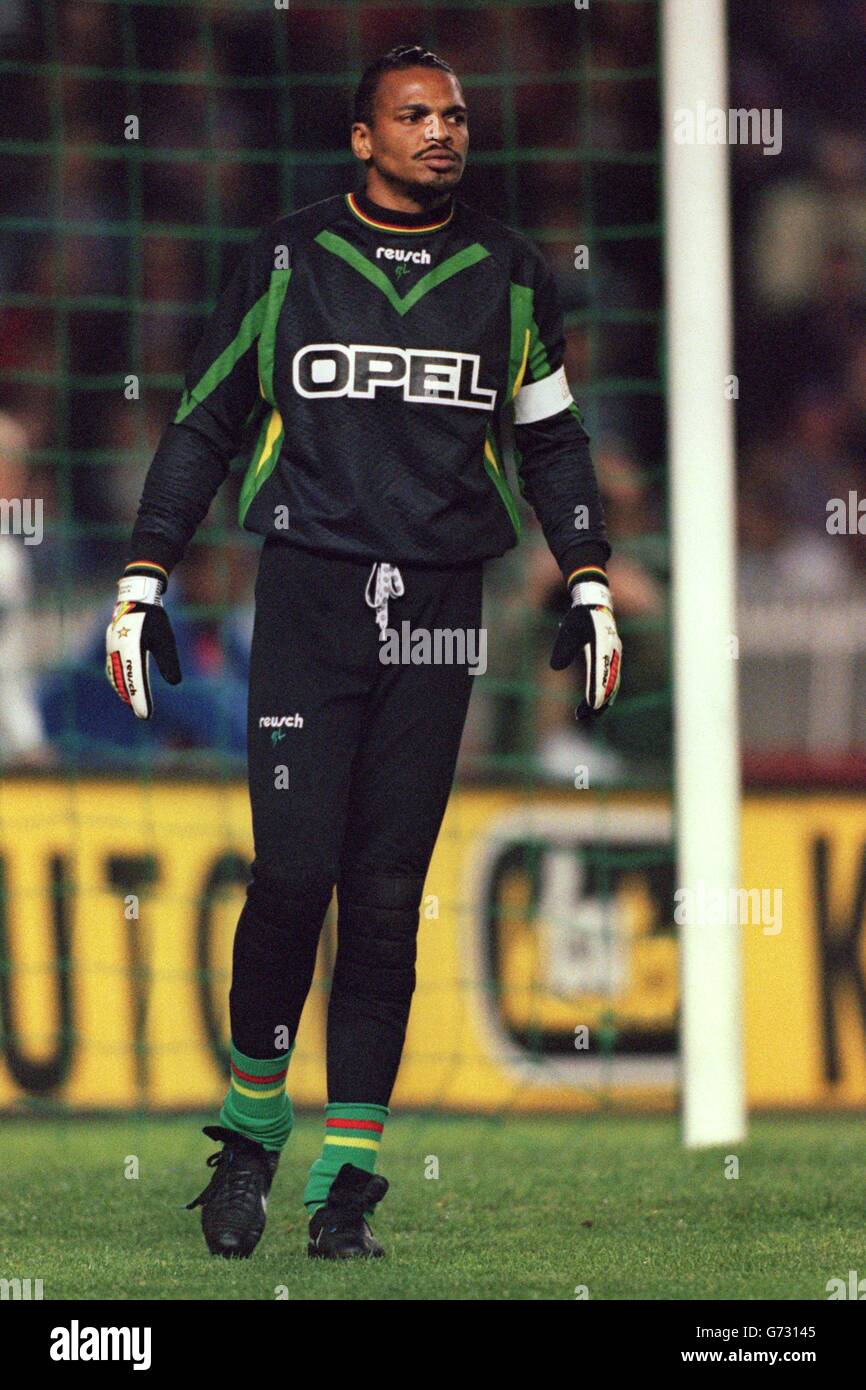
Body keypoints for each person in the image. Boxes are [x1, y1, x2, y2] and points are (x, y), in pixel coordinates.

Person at [105, 44, 622, 1261]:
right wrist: (143, 574)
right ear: (361, 138)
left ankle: (347, 1185)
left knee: (386, 901)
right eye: (414, 115)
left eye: (453, 115)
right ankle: (246, 1134)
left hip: (443, 609)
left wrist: (588, 575)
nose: (442, 132)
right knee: (290, 879)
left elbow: (549, 442)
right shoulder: (286, 259)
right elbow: (204, 421)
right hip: (310, 599)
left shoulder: (508, 274)